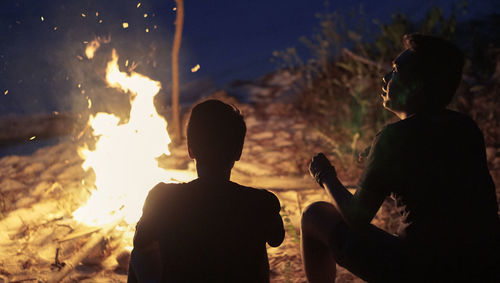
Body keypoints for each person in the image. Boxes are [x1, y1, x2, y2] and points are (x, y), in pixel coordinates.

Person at [301, 33, 500, 282]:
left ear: (416, 84)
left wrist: (325, 175)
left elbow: (356, 217)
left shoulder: (394, 138)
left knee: (315, 215)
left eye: (395, 71)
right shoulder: (465, 126)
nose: (385, 78)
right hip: (484, 264)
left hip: (422, 270)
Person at [128, 99, 285, 282]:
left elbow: (140, 242)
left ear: (190, 150)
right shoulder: (261, 202)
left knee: (138, 256)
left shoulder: (163, 198)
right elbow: (276, 238)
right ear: (238, 151)